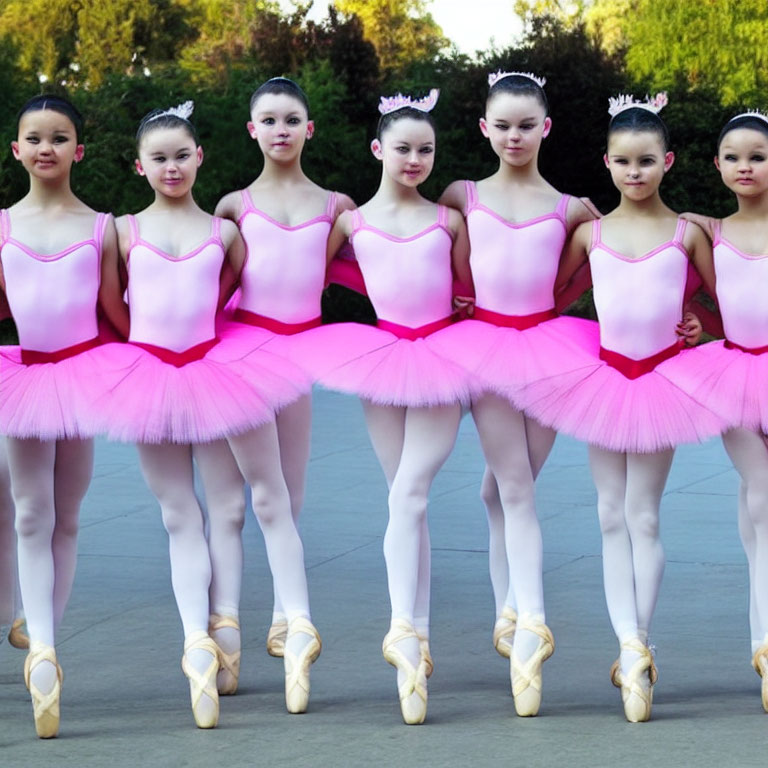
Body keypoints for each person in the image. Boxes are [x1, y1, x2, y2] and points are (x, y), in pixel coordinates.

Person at [96, 102, 320, 726]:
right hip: (149, 375)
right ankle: (199, 638)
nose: (172, 167)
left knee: (253, 498)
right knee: (179, 514)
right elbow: (112, 303)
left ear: (201, 157)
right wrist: (143, 356)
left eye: (182, 156)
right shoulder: (122, 231)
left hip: (219, 371)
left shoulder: (225, 232)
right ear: (139, 166)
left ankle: (289, 624)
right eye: (159, 158)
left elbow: (235, 295)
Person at [514, 94, 723, 722]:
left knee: (644, 515)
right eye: (624, 162)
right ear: (607, 163)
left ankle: (640, 641)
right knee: (610, 514)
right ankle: (629, 644)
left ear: (669, 162)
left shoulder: (688, 232)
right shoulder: (590, 233)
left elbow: (722, 305)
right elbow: (550, 293)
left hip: (660, 380)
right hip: (602, 378)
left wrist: (698, 327)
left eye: (647, 162)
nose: (635, 173)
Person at [434, 71, 599, 717]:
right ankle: (528, 618)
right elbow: (433, 258)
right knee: (515, 485)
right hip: (487, 350)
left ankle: (511, 614)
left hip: (552, 353)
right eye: (502, 125)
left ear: (546, 128)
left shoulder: (573, 209)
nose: (513, 136)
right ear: (484, 128)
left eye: (525, 125)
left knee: (503, 487)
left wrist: (694, 316)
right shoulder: (462, 195)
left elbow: (592, 272)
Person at [321, 88, 475, 725]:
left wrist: (460, 306)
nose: (414, 159)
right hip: (383, 358)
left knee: (410, 493)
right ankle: (422, 636)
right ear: (378, 148)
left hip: (443, 358)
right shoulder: (351, 223)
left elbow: (468, 287)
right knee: (401, 501)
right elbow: (319, 275)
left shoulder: (449, 221)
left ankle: (401, 630)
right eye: (403, 148)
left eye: (426, 149)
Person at [215, 77, 354, 660]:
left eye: (291, 119)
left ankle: (281, 618)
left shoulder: (336, 207)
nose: (280, 130)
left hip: (299, 353)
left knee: (288, 493)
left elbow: (375, 272)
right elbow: (209, 283)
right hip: (241, 353)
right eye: (268, 120)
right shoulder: (234, 206)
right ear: (252, 130)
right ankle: (223, 626)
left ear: (308, 128)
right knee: (228, 500)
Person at [0, 94, 119, 738]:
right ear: (16, 149)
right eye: (34, 137)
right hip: (22, 376)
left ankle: (42, 623)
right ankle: (43, 653)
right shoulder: (1, 225)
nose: (47, 147)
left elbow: (115, 313)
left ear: (80, 149)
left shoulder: (102, 227)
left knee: (66, 515)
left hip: (81, 374)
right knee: (30, 509)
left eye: (60, 136)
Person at [669, 111, 768, 712]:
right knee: (760, 492)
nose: (745, 167)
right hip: (732, 373)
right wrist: (697, 322)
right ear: (717, 166)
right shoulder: (709, 232)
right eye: (733, 157)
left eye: (757, 156)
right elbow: (693, 294)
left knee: (756, 510)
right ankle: (765, 644)